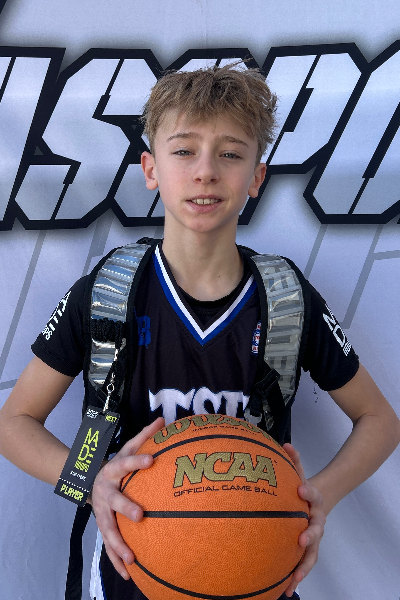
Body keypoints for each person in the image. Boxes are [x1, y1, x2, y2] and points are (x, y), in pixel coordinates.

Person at [0, 63, 399, 600]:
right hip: (132, 573)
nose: (206, 171)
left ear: (256, 177)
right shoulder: (109, 292)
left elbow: (379, 420)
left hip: (258, 570)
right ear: (150, 168)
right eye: (184, 150)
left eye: (230, 154)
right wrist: (89, 481)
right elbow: (14, 423)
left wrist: (315, 496)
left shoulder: (284, 299)